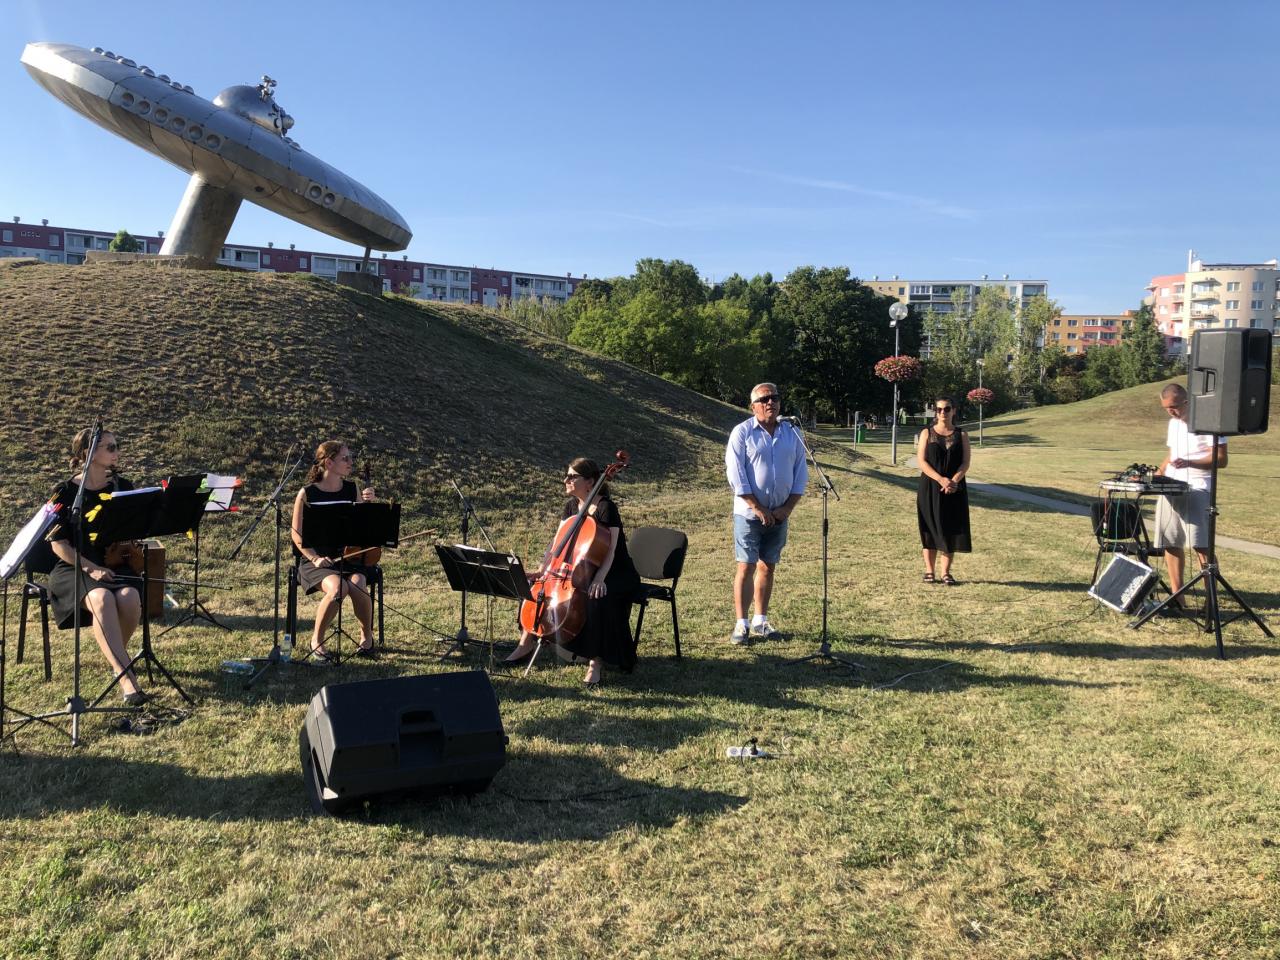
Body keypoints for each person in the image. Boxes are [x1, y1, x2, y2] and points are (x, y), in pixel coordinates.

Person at [504, 458, 640, 686]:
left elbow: (611, 550)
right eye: (566, 475)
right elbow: (557, 543)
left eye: (572, 476)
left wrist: (600, 578)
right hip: (583, 568)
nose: (565, 480)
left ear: (590, 482)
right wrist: (542, 570)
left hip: (614, 571)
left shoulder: (606, 508)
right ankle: (525, 644)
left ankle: (595, 662)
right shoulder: (570, 507)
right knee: (535, 588)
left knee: (596, 597)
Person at [46, 427, 149, 705]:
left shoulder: (123, 487)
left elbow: (137, 527)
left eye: (117, 446)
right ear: (87, 453)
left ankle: (116, 658)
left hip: (112, 562)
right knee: (102, 598)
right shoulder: (65, 492)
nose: (117, 452)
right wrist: (90, 568)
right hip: (73, 566)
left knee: (129, 597)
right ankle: (127, 680)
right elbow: (58, 544)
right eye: (110, 447)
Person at [724, 382, 808, 644]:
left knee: (768, 566)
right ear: (753, 406)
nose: (770, 402)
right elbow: (736, 475)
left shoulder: (792, 433)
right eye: (764, 399)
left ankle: (760, 621)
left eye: (775, 398)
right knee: (746, 566)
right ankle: (742, 624)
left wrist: (787, 508)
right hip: (749, 514)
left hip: (780, 514)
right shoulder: (742, 432)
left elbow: (800, 473)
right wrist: (757, 507)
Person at [290, 440, 377, 661]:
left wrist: (369, 506)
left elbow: (363, 528)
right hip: (316, 560)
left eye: (350, 457)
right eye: (345, 458)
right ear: (329, 463)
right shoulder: (307, 493)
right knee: (338, 588)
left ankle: (366, 637)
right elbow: (296, 534)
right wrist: (315, 558)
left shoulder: (351, 489)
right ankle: (317, 640)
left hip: (349, 557)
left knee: (357, 584)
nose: (350, 462)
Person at [1154, 383, 1227, 597]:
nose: (1171, 412)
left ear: (1187, 402)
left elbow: (1221, 459)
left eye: (1174, 407)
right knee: (1170, 542)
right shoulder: (1173, 424)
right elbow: (1172, 454)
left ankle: (1210, 599)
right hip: (1172, 487)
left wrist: (1190, 463)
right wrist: (1157, 475)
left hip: (1198, 488)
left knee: (1201, 545)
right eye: (1166, 408)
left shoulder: (1208, 422)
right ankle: (1177, 597)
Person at [916, 396, 971, 585]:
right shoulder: (927, 433)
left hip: (955, 489)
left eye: (946, 409)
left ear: (953, 410)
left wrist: (953, 481)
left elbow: (965, 462)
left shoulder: (961, 435)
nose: (942, 413)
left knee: (950, 527)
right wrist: (941, 479)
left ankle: (946, 573)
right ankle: (929, 571)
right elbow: (921, 461)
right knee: (929, 528)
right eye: (938, 409)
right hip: (930, 487)